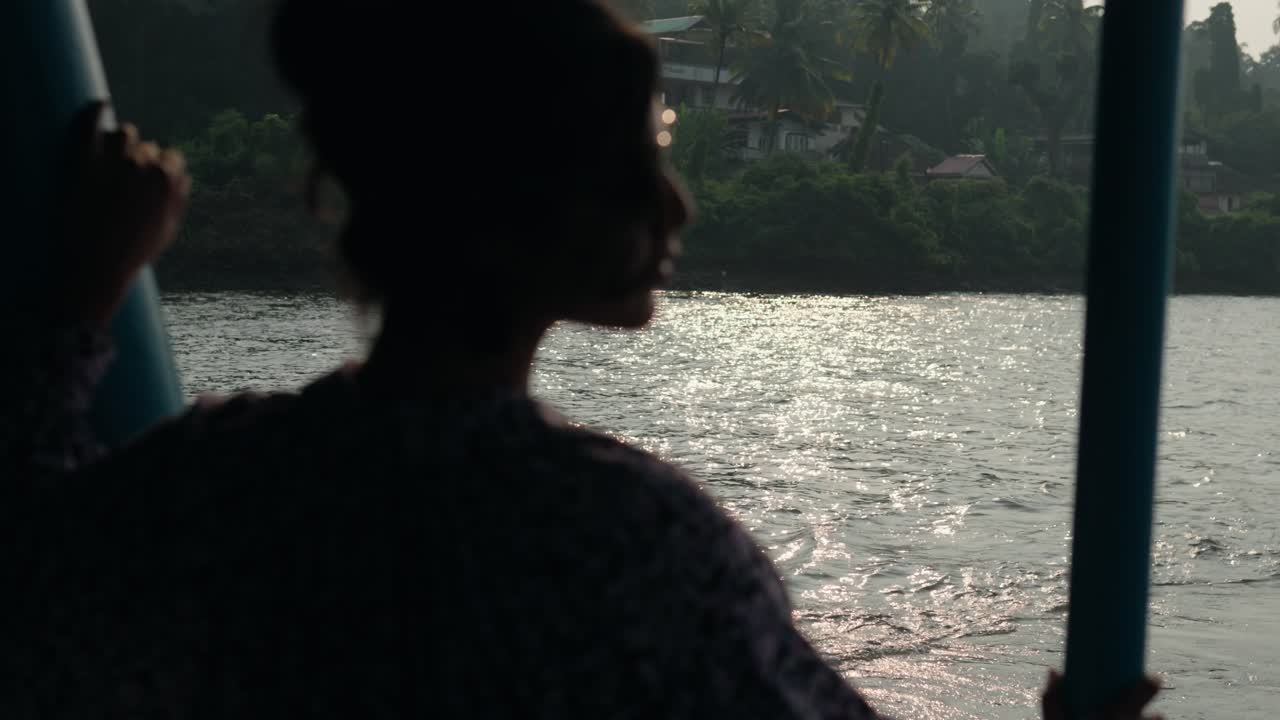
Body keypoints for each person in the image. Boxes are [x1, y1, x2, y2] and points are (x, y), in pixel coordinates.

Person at [1, 0, 1161, 716]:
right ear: (519, 203)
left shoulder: (223, 487)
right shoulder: (627, 544)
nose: (676, 204)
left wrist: (83, 295)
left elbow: (28, 568)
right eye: (641, 156)